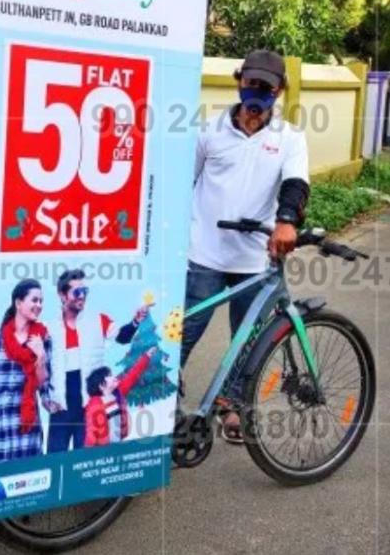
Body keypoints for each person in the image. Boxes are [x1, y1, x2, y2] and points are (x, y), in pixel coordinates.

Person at [182, 49, 309, 443]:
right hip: (204, 251)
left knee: (249, 337)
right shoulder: (209, 131)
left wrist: (287, 221)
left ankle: (230, 402)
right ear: (239, 81)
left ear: (279, 91)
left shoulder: (289, 139)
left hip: (255, 257)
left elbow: (295, 184)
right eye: (250, 84)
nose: (256, 95)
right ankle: (158, 398)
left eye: (266, 88)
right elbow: (187, 180)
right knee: (182, 331)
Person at [46, 269, 152, 453]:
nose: (82, 297)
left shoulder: (98, 320)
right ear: (62, 295)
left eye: (85, 291)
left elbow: (122, 337)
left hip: (88, 405)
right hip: (60, 407)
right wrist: (46, 398)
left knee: (84, 458)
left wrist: (136, 321)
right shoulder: (48, 328)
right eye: (77, 292)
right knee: (55, 458)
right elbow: (39, 366)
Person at [0, 279, 52, 464]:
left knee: (27, 480)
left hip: (27, 424)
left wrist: (41, 356)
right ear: (18, 302)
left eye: (41, 301)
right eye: (34, 300)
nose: (39, 305)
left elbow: (42, 383)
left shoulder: (43, 338)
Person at [84, 347, 157, 447]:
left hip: (118, 445)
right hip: (102, 450)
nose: (113, 377)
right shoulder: (95, 404)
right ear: (101, 385)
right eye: (109, 376)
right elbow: (91, 432)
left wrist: (147, 356)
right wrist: (89, 454)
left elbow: (133, 374)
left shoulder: (118, 393)